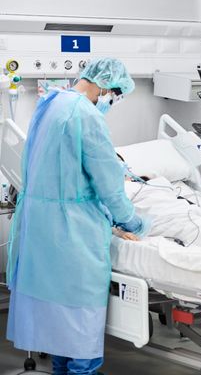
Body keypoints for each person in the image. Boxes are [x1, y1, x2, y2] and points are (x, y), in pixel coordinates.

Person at [6, 58, 149, 375]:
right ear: (105, 86)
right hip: (73, 234)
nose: (112, 101)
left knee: (57, 325)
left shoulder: (50, 103)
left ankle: (62, 369)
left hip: (41, 227)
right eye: (115, 94)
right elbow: (109, 185)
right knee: (80, 321)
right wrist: (132, 222)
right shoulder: (86, 115)